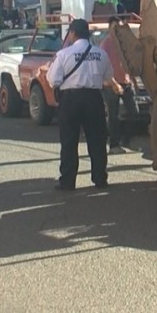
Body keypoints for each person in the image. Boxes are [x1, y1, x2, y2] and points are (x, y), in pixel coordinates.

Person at [46, 19, 114, 190]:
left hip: (71, 99)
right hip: (93, 99)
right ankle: (100, 179)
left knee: (69, 141)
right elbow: (108, 77)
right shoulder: (101, 54)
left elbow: (53, 80)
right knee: (97, 141)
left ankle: (68, 181)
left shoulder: (63, 54)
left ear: (73, 33)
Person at [100, 16, 139, 154]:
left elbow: (130, 63)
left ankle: (126, 140)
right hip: (111, 83)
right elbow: (104, 67)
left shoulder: (124, 43)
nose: (117, 29)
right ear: (109, 28)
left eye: (119, 26)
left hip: (126, 82)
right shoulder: (106, 44)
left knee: (134, 112)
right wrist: (114, 83)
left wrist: (134, 82)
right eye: (115, 26)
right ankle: (114, 145)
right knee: (113, 115)